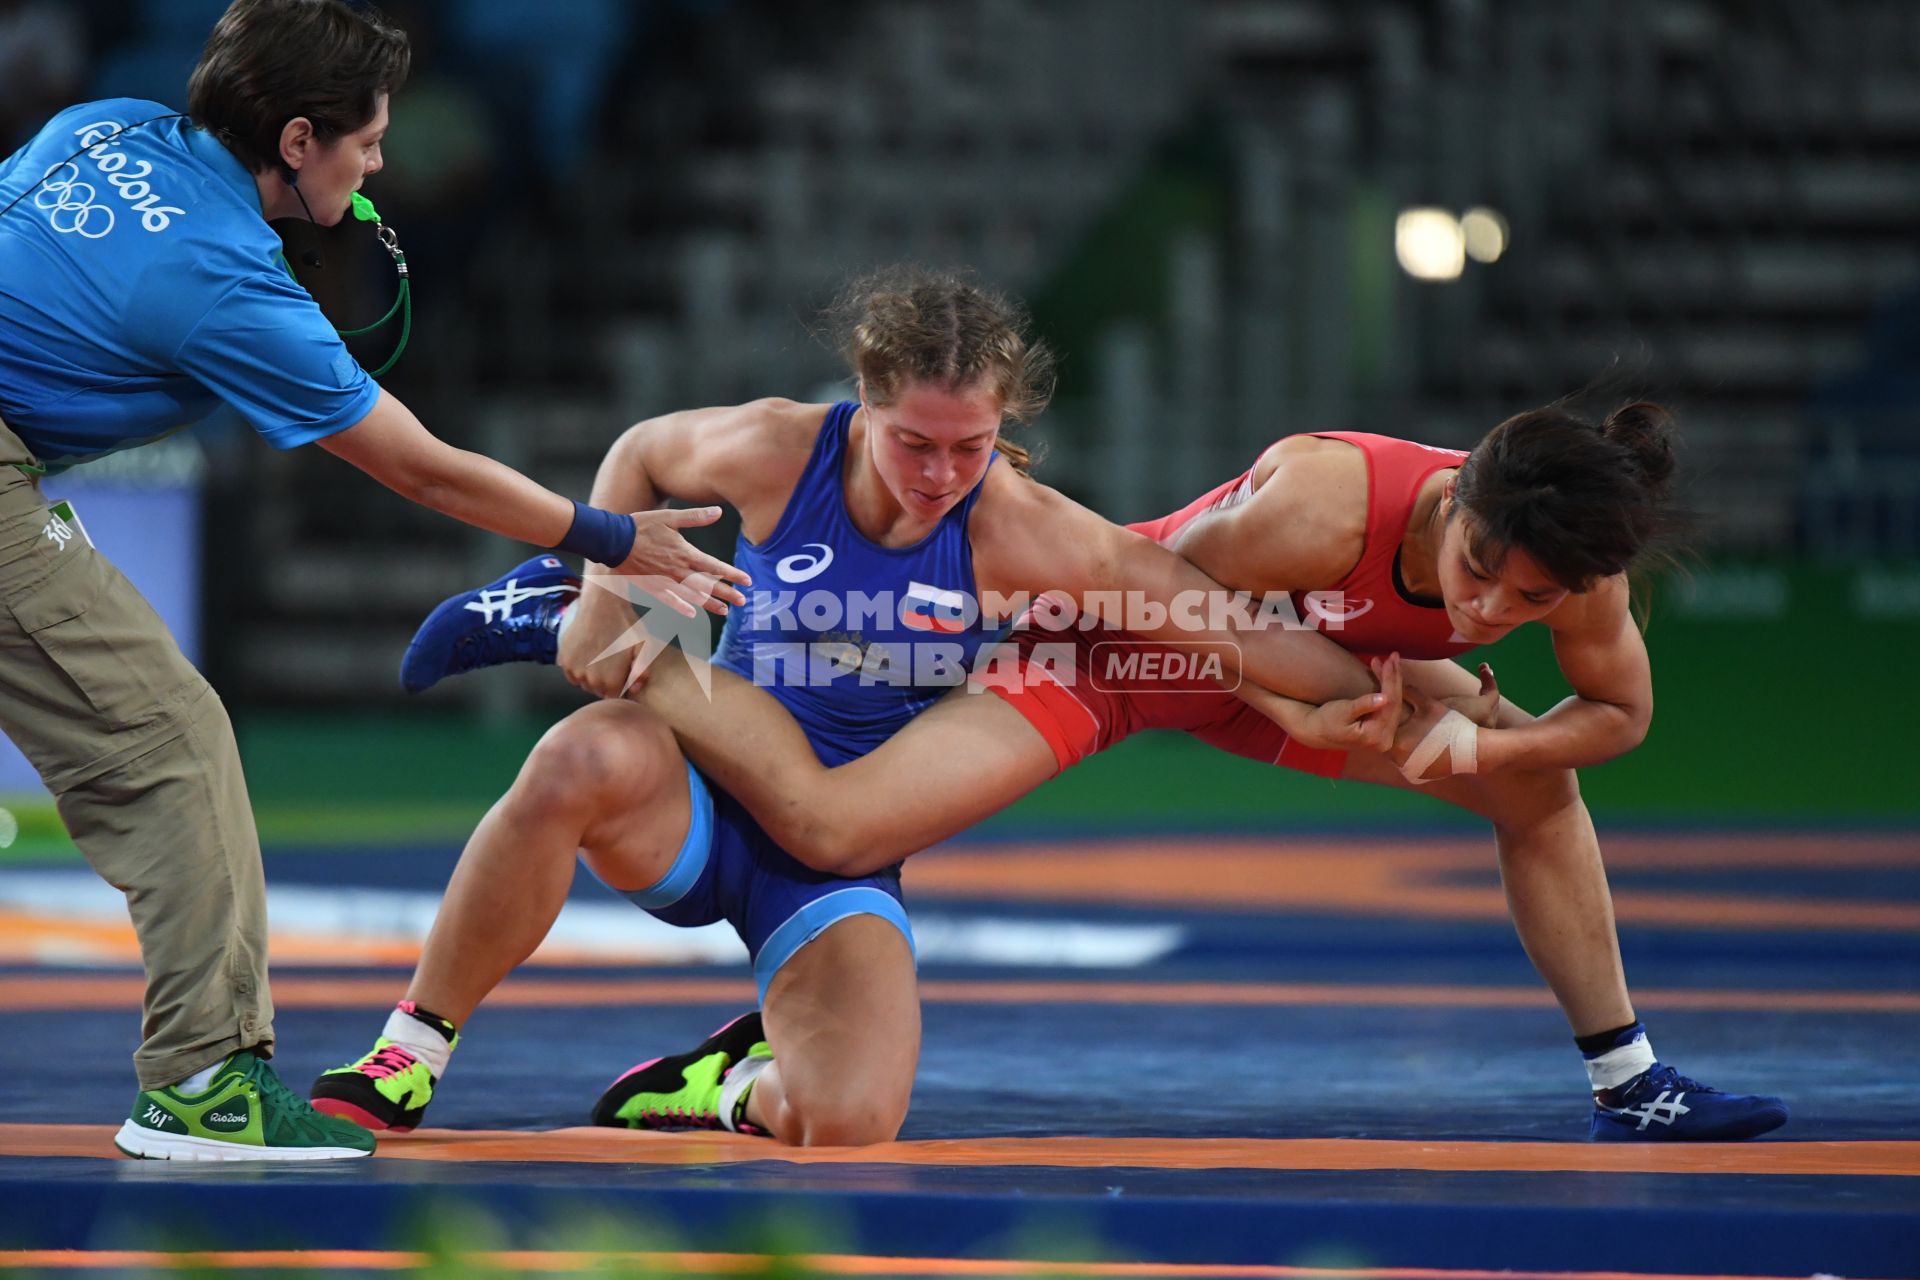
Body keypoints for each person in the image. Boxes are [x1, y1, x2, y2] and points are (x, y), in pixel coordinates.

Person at [309, 266, 1402, 1146]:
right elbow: (640, 452)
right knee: (575, 757)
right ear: (864, 404)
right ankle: (412, 1045)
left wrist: (1402, 688)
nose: (939, 473)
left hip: (826, 855)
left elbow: (1226, 623)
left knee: (848, 1118)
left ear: (1004, 427)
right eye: (913, 441)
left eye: (971, 447)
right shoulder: (783, 447)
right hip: (686, 791)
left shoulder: (1020, 527)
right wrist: (604, 577)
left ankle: (717, 1088)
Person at [577, 402, 1791, 1143]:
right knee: (838, 827)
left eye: (1524, 602)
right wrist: (1308, 698)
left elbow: (1619, 713)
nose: (1486, 607)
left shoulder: (1580, 563)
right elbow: (1141, 604)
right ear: (1457, 489)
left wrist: (1492, 747)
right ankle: (603, 635)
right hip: (1109, 648)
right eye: (1478, 567)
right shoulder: (1320, 503)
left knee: (1541, 789)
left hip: (1325, 680)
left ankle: (1627, 1075)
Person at [0, 0, 747, 1162]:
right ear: (299, 141)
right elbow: (424, 469)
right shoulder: (225, 285)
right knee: (168, 745)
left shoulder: (106, 126)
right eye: (368, 139)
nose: (381, 160)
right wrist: (611, 537)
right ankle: (205, 1082)